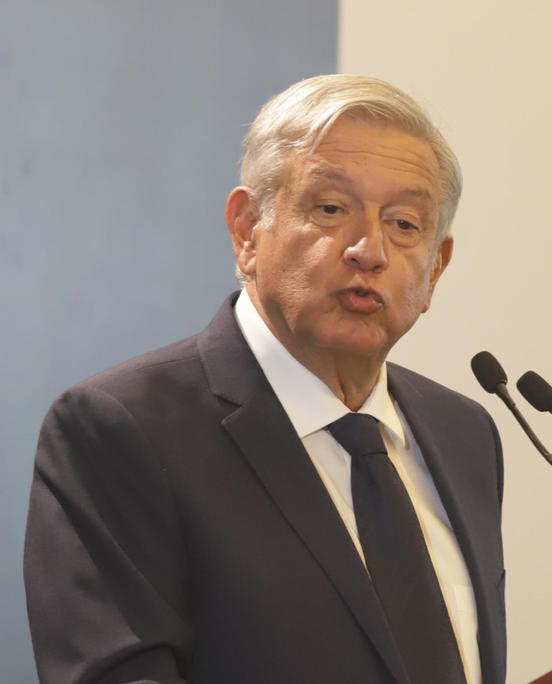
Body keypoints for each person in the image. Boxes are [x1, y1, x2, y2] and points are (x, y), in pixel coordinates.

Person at [24, 75, 505, 684]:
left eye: (405, 224)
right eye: (331, 209)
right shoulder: (123, 430)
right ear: (247, 229)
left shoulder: (464, 434)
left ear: (436, 268)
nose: (370, 250)